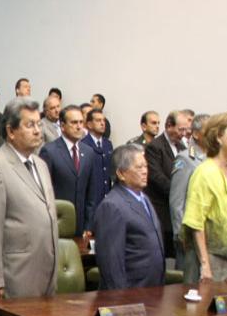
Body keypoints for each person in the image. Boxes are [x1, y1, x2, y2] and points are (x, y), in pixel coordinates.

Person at [0, 97, 58, 299]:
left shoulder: (41, 165)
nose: (38, 130)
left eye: (39, 124)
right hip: (15, 278)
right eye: (30, 125)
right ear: (11, 131)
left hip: (46, 274)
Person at [181, 111, 227, 283]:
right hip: (210, 259)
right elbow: (195, 221)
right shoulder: (205, 172)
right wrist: (205, 265)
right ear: (219, 137)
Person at [92, 144, 166, 289]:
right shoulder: (112, 206)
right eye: (139, 167)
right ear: (121, 174)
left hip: (153, 289)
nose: (145, 171)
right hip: (130, 291)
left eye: (146, 166)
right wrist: (121, 300)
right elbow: (111, 263)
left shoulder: (144, 198)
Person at [39, 104, 97, 236]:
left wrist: (88, 225)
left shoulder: (88, 152)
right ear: (63, 126)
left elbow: (91, 194)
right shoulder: (49, 151)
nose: (78, 126)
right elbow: (44, 190)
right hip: (57, 224)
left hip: (81, 226)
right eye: (74, 122)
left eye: (81, 122)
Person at [145, 110, 191, 257]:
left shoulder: (183, 148)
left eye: (186, 129)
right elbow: (157, 177)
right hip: (162, 211)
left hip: (178, 211)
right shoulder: (155, 147)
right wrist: (179, 191)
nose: (183, 133)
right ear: (169, 126)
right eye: (180, 129)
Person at [169, 113, 210, 274]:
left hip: (208, 236)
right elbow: (177, 201)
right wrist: (181, 235)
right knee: (190, 284)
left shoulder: (213, 159)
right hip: (190, 236)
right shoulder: (185, 159)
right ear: (196, 134)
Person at [81, 107, 113, 214]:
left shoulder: (108, 144)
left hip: (107, 197)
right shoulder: (83, 144)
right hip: (92, 199)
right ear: (89, 124)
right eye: (98, 120)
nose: (102, 123)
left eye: (103, 120)